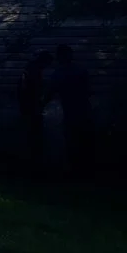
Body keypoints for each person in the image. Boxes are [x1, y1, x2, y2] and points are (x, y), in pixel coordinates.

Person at [48, 44, 94, 179]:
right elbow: (89, 90)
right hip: (83, 109)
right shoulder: (80, 70)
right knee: (83, 140)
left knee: (73, 140)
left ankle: (76, 170)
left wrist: (41, 103)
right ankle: (84, 170)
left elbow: (50, 91)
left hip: (72, 111)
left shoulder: (60, 73)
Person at [17, 50, 53, 173]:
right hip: (31, 109)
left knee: (31, 137)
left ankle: (32, 166)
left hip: (28, 108)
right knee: (34, 138)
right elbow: (33, 92)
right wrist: (39, 104)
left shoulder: (29, 70)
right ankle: (34, 167)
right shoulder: (34, 72)